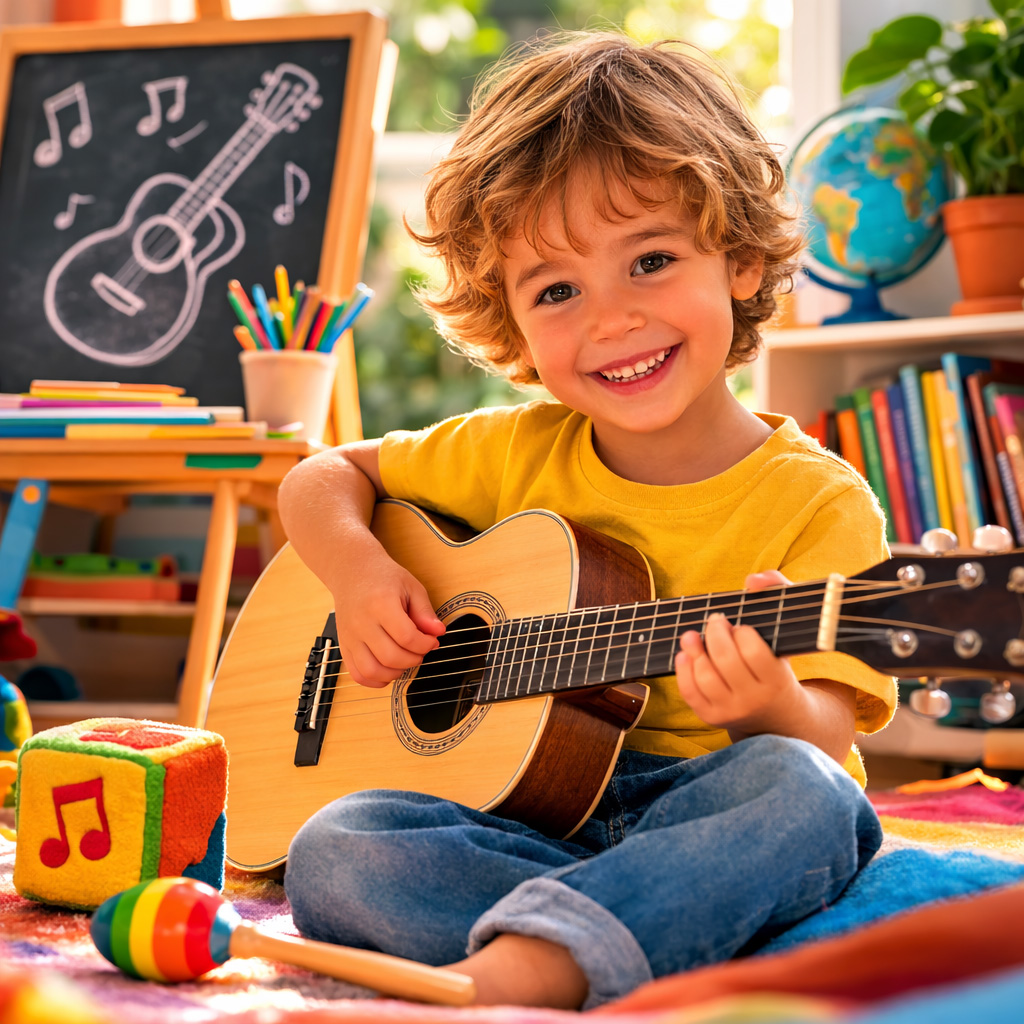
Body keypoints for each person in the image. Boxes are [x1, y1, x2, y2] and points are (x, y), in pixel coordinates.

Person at [277, 31, 896, 1011]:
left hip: (707, 811)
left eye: (649, 259)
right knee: (335, 846)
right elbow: (320, 477)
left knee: (808, 800)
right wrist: (359, 573)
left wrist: (769, 700)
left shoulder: (820, 501)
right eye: (556, 289)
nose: (610, 318)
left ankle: (536, 961)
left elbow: (823, 736)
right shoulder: (514, 449)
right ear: (510, 318)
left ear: (736, 260)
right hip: (515, 818)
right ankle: (624, 934)